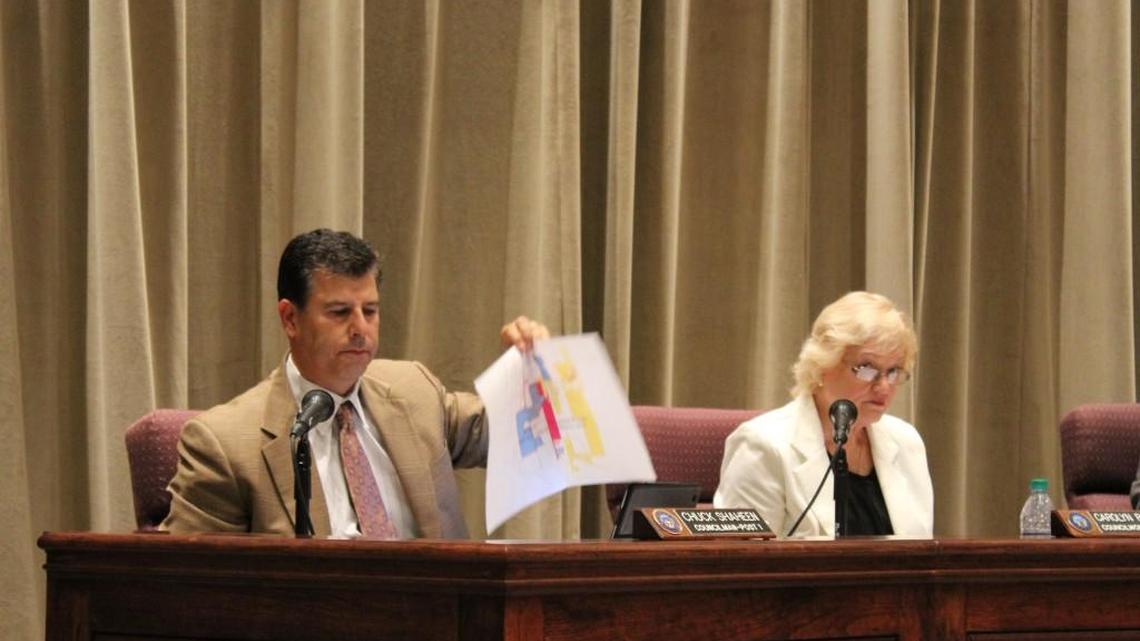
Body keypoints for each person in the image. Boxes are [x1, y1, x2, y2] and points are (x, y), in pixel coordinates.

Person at [161, 228, 548, 538]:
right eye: (340, 312)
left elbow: (519, 432)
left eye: (371, 311)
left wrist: (540, 370)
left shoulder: (414, 392)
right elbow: (192, 590)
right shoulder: (224, 445)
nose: (360, 329)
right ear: (290, 319)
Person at [713, 291, 933, 538]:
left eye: (893, 371)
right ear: (822, 365)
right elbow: (743, 565)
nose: (884, 387)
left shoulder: (906, 443)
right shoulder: (762, 446)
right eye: (867, 369)